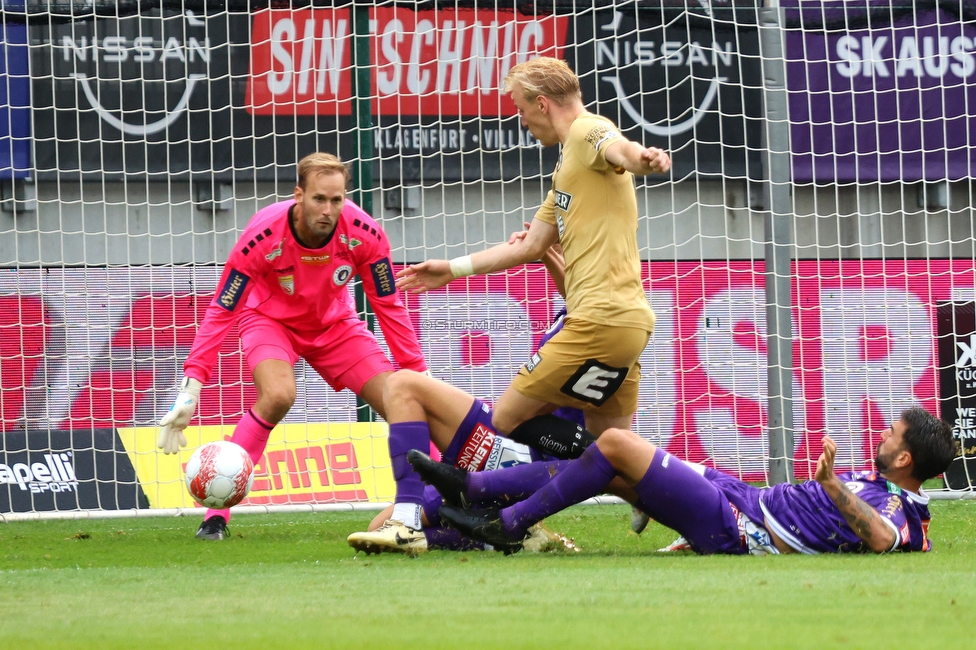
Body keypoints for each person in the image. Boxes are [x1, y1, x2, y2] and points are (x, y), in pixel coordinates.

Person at [395, 57, 671, 447]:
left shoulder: (585, 129)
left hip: (596, 321)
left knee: (499, 427)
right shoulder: (566, 173)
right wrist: (451, 269)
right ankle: (703, 499)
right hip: (629, 325)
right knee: (616, 455)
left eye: (522, 109)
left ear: (542, 104)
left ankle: (486, 504)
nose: (521, 120)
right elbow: (530, 246)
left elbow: (619, 149)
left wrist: (643, 159)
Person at [156, 152, 427, 541]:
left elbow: (388, 307)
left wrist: (417, 375)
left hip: (336, 326)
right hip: (270, 321)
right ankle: (215, 516)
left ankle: (435, 499)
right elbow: (223, 307)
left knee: (404, 400)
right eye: (319, 199)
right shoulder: (262, 234)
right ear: (298, 195)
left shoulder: (365, 234)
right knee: (280, 394)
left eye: (337, 200)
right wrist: (192, 386)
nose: (328, 210)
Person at [415, 407, 955, 555]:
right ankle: (443, 519)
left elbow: (882, 540)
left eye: (891, 433)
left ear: (904, 459)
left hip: (742, 529)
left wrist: (831, 484)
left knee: (616, 445)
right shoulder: (884, 483)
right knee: (615, 470)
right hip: (739, 497)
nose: (881, 434)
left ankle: (503, 518)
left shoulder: (903, 512)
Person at [346, 369, 591, 555]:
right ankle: (508, 537)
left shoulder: (592, 322)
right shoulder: (584, 319)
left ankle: (405, 521)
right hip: (518, 447)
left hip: (522, 451)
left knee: (403, 384)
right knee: (375, 528)